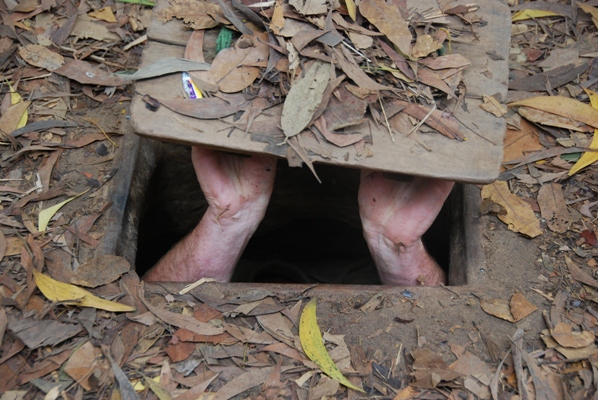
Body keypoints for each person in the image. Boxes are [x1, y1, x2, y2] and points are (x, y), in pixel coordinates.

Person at [144, 147, 454, 286]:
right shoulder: (357, 275)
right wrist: (396, 246)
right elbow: (441, 323)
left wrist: (227, 220)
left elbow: (144, 309)